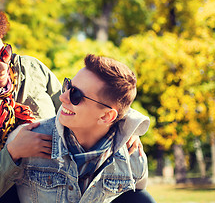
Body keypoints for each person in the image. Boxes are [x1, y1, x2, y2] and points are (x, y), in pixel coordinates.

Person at [0, 0, 148, 203]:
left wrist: (122, 126)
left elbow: (79, 104)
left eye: (4, 53)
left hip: (65, 180)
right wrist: (12, 154)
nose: (4, 67)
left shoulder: (31, 69)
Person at [14, 54, 155, 203]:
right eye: (68, 86)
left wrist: (129, 130)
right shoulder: (27, 141)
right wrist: (12, 153)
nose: (63, 98)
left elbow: (139, 192)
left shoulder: (132, 156)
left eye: (76, 95)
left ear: (106, 116)